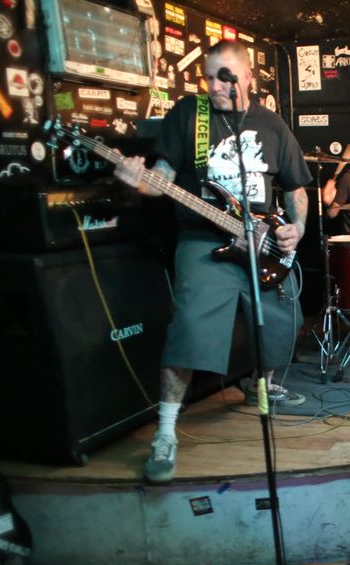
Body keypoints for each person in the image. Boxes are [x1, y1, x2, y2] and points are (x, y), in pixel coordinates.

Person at [114, 40, 312, 484]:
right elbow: (162, 178)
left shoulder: (272, 125)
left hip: (263, 243)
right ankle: (166, 432)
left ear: (247, 77)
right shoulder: (190, 114)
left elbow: (296, 188)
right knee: (189, 328)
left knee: (283, 319)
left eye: (223, 76)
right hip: (205, 240)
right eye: (208, 77)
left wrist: (296, 228)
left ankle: (260, 384)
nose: (214, 86)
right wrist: (139, 181)